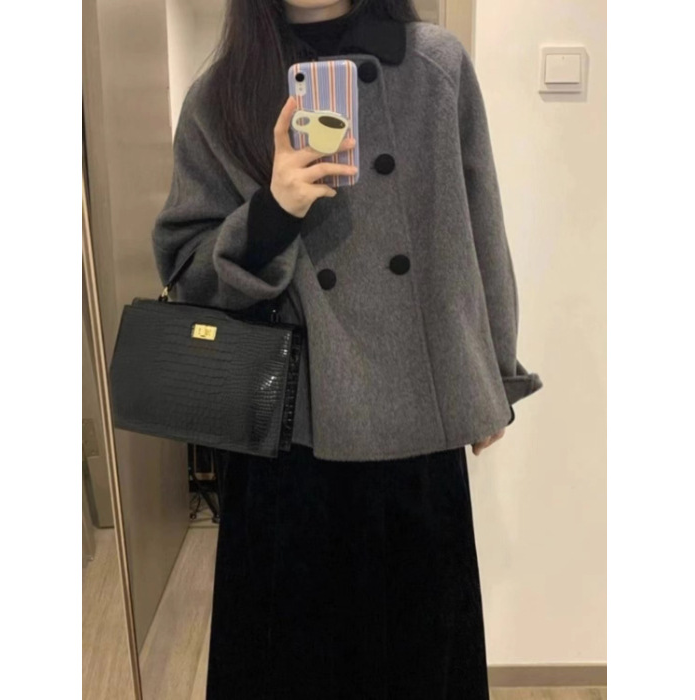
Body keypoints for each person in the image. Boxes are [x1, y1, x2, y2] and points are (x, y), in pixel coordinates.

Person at [152, 1, 543, 698]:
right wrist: (272, 213)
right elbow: (187, 274)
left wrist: (495, 376)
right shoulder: (219, 98)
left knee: (418, 665)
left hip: (415, 431)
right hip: (289, 443)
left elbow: (482, 226)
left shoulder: (435, 67)